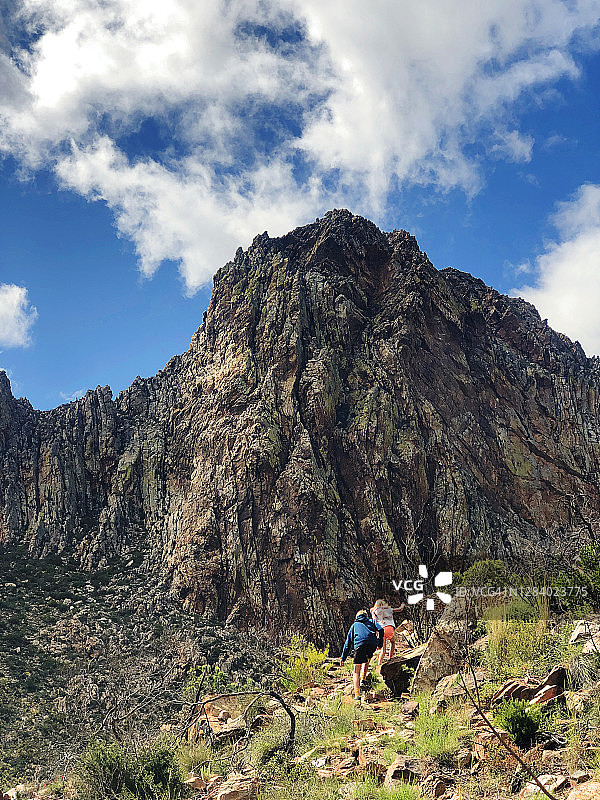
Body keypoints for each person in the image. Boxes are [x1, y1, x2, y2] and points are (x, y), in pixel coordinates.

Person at [340, 609, 384, 702]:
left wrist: (343, 658)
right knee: (367, 658)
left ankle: (357, 694)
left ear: (356, 617)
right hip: (372, 643)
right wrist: (380, 644)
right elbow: (381, 629)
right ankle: (363, 679)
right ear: (366, 616)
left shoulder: (354, 625)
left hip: (360, 644)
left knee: (356, 670)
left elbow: (348, 643)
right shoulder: (371, 621)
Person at [370, 599, 405, 668]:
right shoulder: (389, 609)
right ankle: (390, 658)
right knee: (392, 642)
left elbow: (374, 620)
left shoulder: (374, 611)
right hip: (389, 628)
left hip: (380, 630)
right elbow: (400, 609)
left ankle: (379, 664)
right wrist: (403, 604)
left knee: (383, 649)